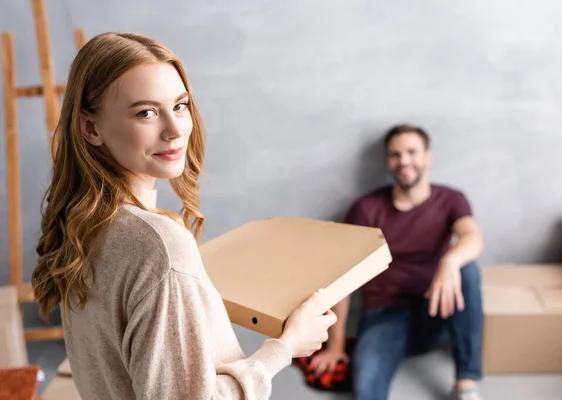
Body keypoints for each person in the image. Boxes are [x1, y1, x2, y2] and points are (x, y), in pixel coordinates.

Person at [31, 32, 336, 400]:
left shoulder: (80, 223)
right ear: (90, 128)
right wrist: (285, 347)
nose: (176, 130)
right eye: (146, 112)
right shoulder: (158, 244)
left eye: (180, 105)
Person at [310, 124, 485, 400]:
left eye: (412, 152)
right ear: (387, 161)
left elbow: (473, 237)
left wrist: (448, 262)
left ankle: (466, 383)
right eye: (395, 154)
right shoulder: (366, 208)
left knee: (467, 269)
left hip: (435, 311)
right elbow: (344, 277)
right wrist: (336, 346)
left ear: (428, 156)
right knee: (366, 389)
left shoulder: (451, 199)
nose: (404, 161)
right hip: (384, 317)